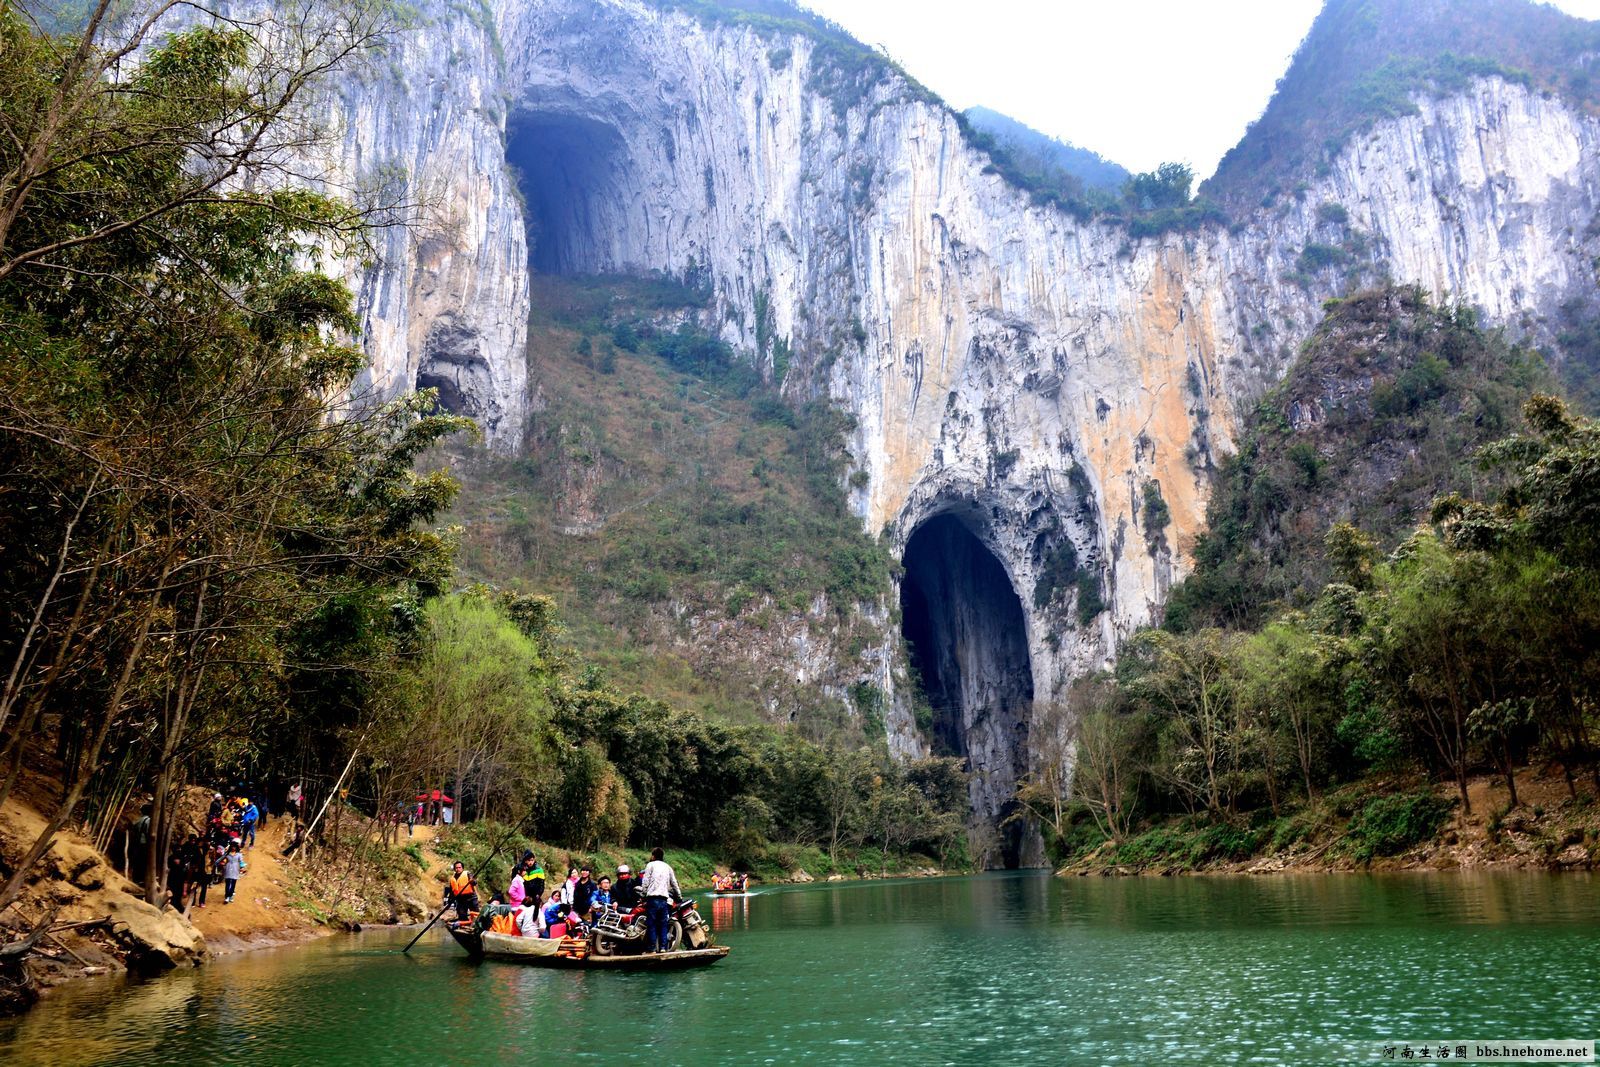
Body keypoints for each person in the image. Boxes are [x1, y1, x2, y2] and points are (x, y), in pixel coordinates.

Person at [639, 847, 681, 954]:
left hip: (652, 899)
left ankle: (652, 949)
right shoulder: (668, 867)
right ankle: (663, 948)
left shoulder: (650, 865)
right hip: (664, 900)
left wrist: (643, 895)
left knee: (651, 923)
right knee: (663, 924)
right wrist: (679, 897)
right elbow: (674, 883)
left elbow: (645, 882)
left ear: (653, 856)